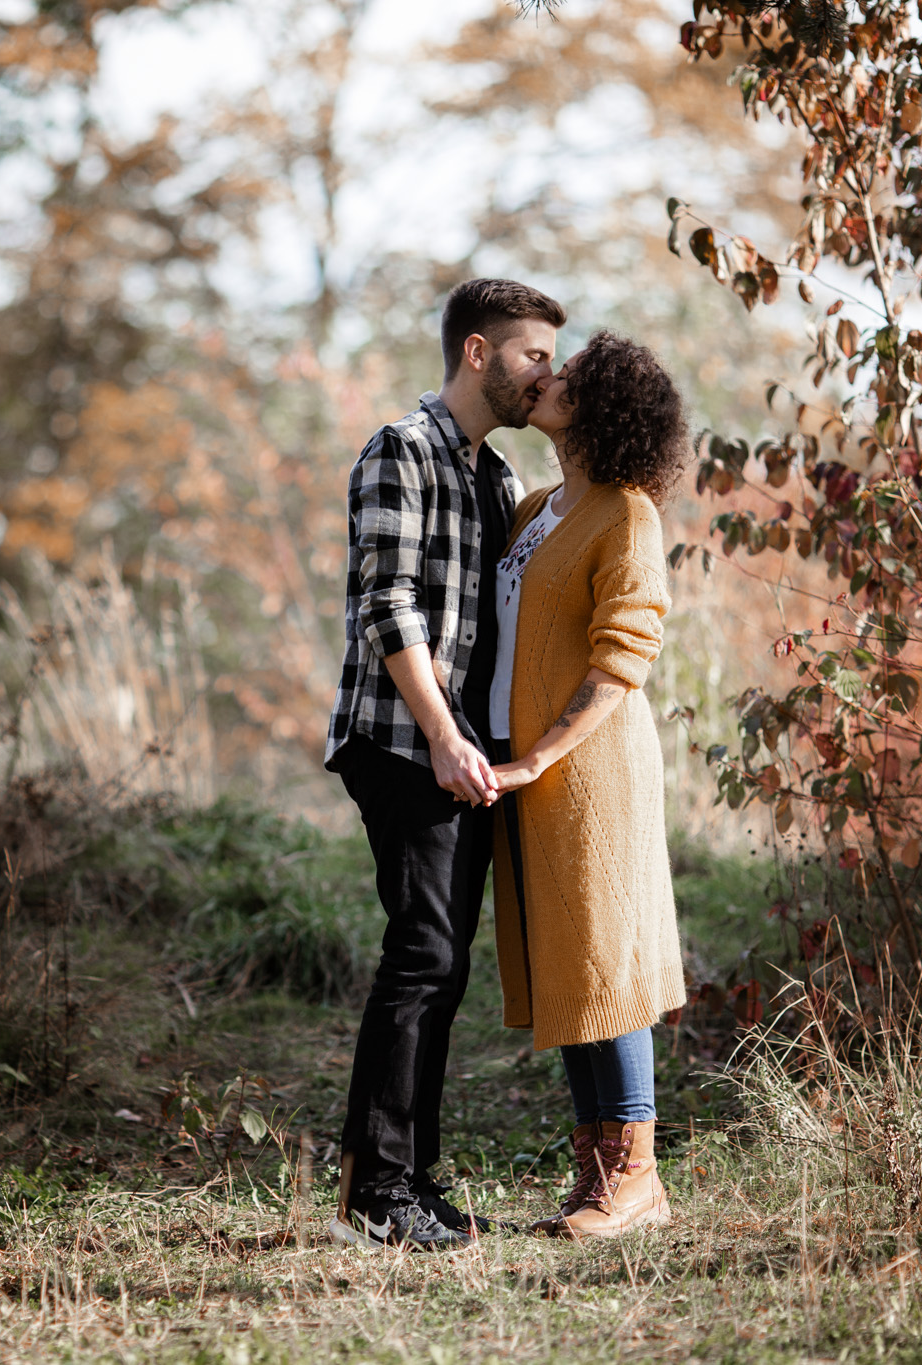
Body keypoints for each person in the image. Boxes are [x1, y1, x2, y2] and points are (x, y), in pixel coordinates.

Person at [323, 278, 566, 1251]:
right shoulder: (400, 450)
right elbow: (388, 607)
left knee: (444, 963)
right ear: (476, 352)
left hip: (459, 750)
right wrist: (439, 733)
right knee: (422, 953)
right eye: (531, 355)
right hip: (397, 737)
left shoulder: (492, 475)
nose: (546, 370)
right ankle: (373, 1196)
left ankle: (408, 1182)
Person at [488, 329, 691, 1239]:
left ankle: (637, 1180)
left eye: (567, 375)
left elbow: (623, 661)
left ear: (602, 407)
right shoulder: (537, 504)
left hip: (591, 768)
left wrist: (541, 753)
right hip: (525, 771)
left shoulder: (627, 513)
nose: (547, 378)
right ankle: (593, 1177)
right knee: (565, 965)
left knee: (607, 957)